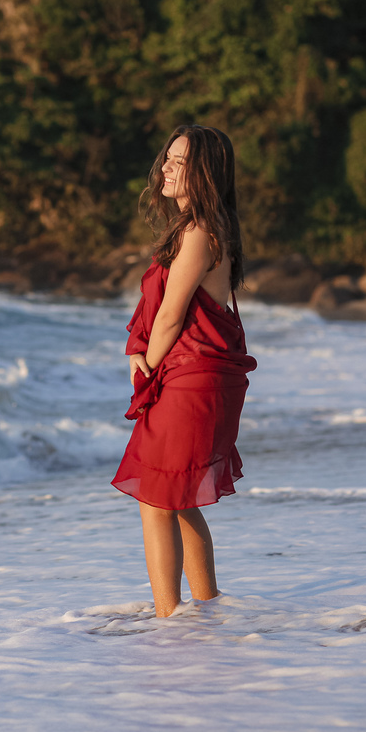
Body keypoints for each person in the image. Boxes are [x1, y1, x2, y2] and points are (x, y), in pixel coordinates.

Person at [111, 124, 257, 617]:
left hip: (188, 377)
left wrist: (145, 368)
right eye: (167, 158)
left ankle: (169, 619)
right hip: (196, 376)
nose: (167, 167)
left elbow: (172, 314)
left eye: (179, 160)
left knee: (156, 499)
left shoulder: (199, 232)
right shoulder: (202, 227)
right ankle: (206, 609)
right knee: (178, 497)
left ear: (205, 173)